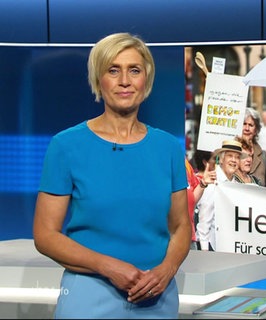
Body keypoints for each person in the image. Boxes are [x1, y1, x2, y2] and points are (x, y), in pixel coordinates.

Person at [33, 33, 190, 318]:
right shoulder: (66, 146)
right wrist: (109, 267)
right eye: (113, 70)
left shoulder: (167, 148)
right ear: (98, 79)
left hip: (157, 295)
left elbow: (181, 227)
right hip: (89, 293)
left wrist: (166, 271)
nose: (125, 81)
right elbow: (45, 235)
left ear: (146, 79)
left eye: (134, 70)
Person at [195, 140, 244, 251]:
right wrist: (204, 253)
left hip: (231, 249)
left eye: (237, 157)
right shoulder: (213, 182)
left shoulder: (238, 185)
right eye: (230, 156)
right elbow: (203, 224)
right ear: (221, 159)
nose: (233, 160)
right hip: (212, 248)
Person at [241, 108, 266, 188]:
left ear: (256, 130)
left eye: (250, 125)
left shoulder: (265, 157)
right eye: (244, 124)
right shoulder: (230, 153)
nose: (247, 128)